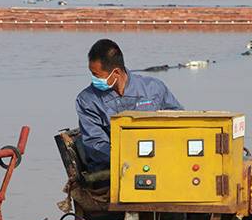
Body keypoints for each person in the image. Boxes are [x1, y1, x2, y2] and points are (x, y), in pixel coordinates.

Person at [75, 39, 182, 173]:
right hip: (115, 167)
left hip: (159, 160)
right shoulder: (87, 100)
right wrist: (128, 159)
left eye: (96, 75)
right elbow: (95, 144)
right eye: (92, 74)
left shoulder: (153, 88)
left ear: (116, 73)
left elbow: (179, 122)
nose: (94, 79)